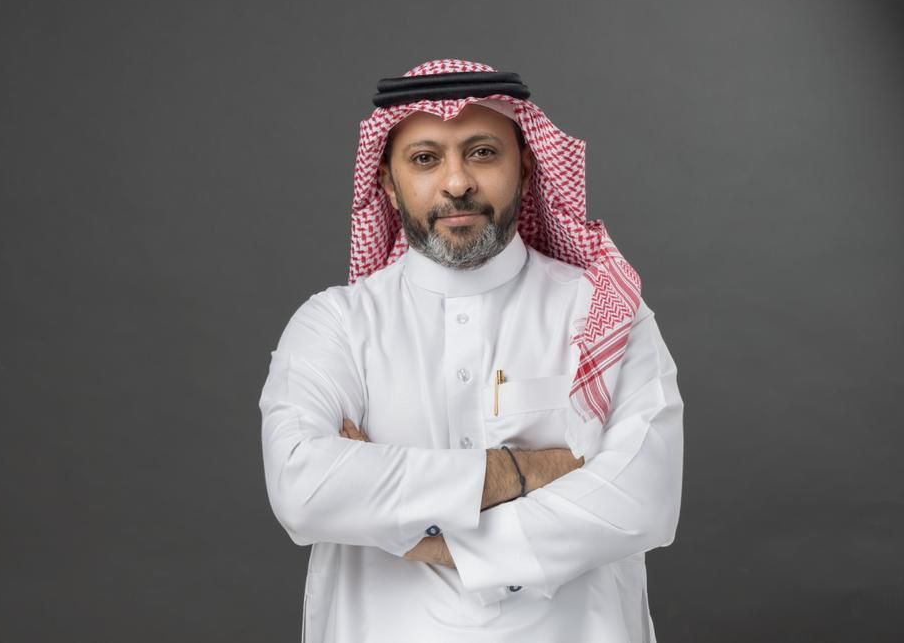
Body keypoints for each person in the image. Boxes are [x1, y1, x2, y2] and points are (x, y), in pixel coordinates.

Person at [259, 59, 684, 642]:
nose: (456, 182)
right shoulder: (336, 324)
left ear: (527, 168)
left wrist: (415, 533)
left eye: (482, 152)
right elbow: (304, 490)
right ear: (388, 183)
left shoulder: (603, 312)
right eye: (425, 158)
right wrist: (524, 470)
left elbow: (640, 502)